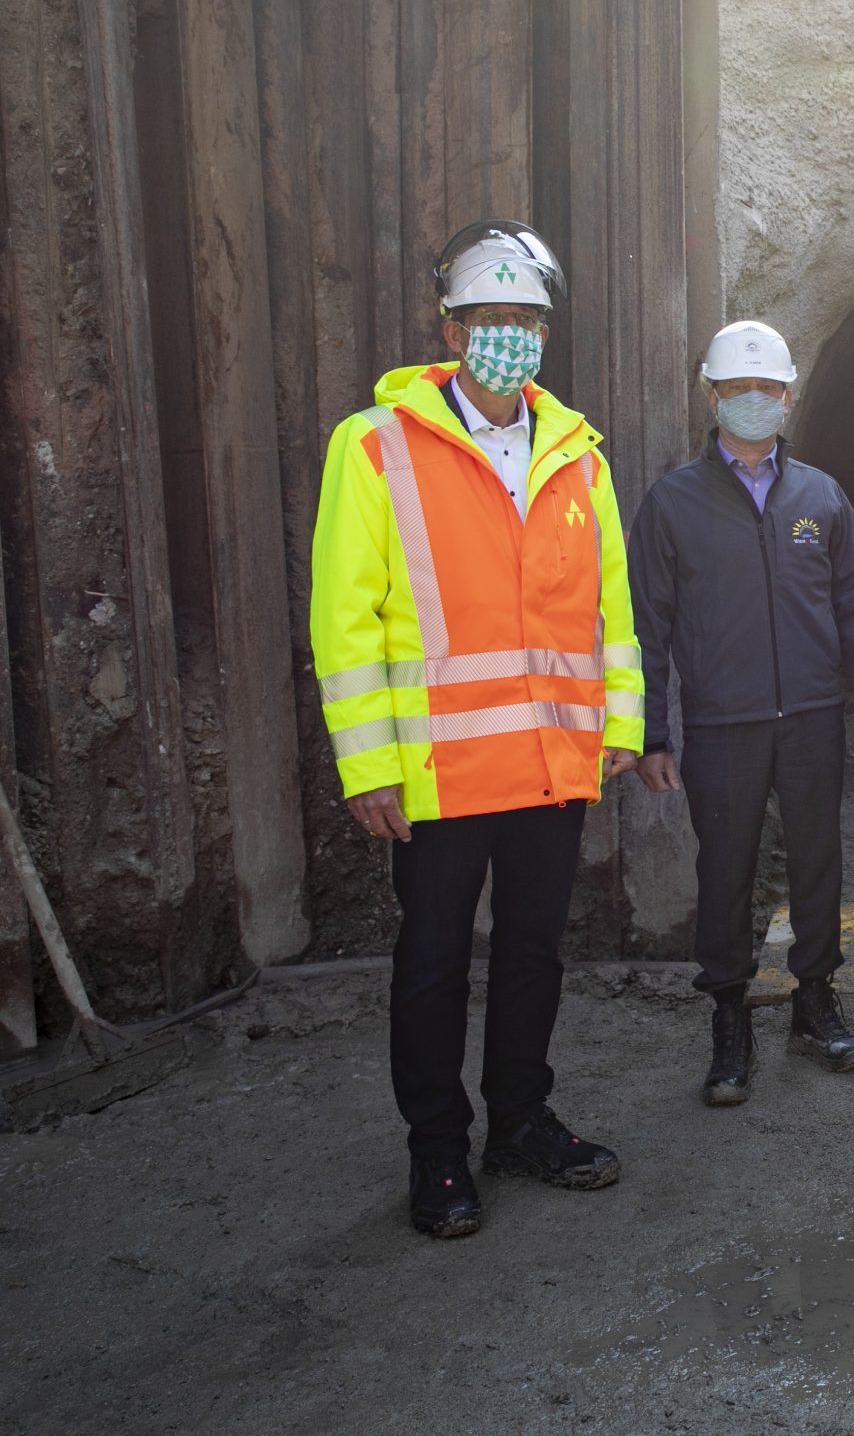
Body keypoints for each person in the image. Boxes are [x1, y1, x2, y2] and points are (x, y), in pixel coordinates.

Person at [309, 219, 642, 1239]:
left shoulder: (577, 453)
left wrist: (617, 721)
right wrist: (368, 767)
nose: (507, 334)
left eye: (525, 319)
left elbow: (611, 606)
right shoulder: (375, 446)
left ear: (547, 329)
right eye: (488, 317)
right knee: (435, 962)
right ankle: (438, 1152)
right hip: (438, 772)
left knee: (535, 951)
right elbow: (344, 615)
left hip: (549, 761)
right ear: (446, 325)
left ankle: (522, 1122)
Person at [628, 320, 854, 1110]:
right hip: (723, 723)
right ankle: (729, 1017)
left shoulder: (821, 496)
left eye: (767, 389)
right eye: (738, 390)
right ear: (711, 397)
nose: (754, 402)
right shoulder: (673, 502)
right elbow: (647, 626)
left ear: (790, 396)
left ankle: (815, 1002)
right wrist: (653, 732)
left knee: (817, 863)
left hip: (810, 717)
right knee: (724, 868)